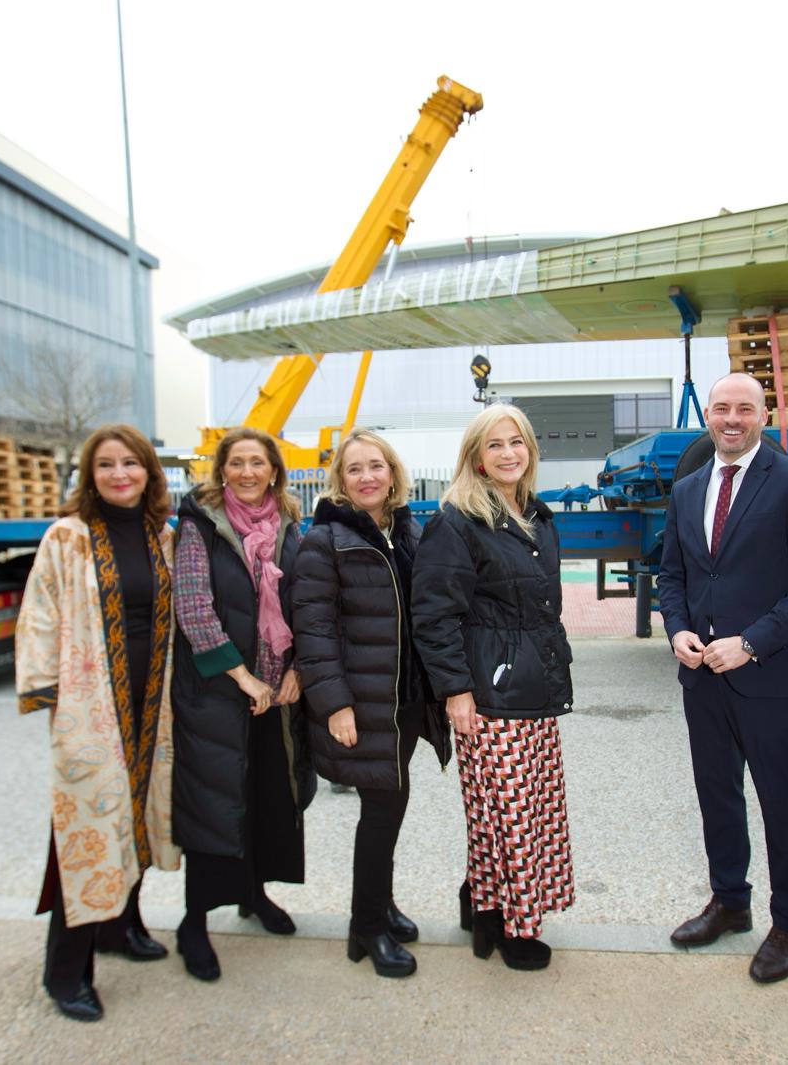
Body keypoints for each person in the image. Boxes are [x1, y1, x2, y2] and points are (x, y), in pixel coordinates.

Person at [656, 372, 788, 984]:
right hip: (701, 677)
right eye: (721, 408)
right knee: (717, 795)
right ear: (707, 415)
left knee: (780, 799)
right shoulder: (687, 489)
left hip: (766, 676)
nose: (731, 419)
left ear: (766, 414)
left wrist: (752, 643)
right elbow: (673, 576)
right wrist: (677, 630)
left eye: (745, 409)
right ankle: (729, 901)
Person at [15, 423, 181, 1023]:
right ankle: (66, 972)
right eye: (106, 465)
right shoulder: (67, 537)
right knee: (86, 830)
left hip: (152, 701)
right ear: (90, 474)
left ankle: (122, 927)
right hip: (91, 704)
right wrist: (48, 695)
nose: (119, 474)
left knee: (138, 815)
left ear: (148, 472)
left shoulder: (162, 535)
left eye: (131, 463)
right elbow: (39, 614)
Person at [412, 403, 574, 971]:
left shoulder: (536, 516)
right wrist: (456, 692)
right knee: (511, 817)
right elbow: (433, 617)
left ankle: (483, 907)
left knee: (511, 812)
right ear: (476, 458)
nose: (509, 453)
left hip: (534, 687)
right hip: (489, 695)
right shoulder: (457, 521)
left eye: (517, 442)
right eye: (495, 445)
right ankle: (516, 929)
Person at [291, 429, 451, 978]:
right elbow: (313, 631)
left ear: (393, 474)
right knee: (381, 813)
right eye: (355, 468)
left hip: (401, 702)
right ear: (340, 477)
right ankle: (367, 928)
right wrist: (335, 704)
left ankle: (378, 906)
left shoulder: (404, 533)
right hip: (360, 705)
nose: (367, 477)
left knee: (389, 808)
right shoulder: (325, 540)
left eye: (376, 466)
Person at [169, 427, 316, 982]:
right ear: (222, 471)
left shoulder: (291, 526)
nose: (249, 472)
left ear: (275, 470)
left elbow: (306, 601)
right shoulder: (200, 525)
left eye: (259, 462)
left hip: (278, 693)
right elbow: (194, 606)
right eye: (238, 463)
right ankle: (193, 924)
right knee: (215, 804)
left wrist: (298, 668)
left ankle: (253, 895)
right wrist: (241, 677)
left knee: (267, 798)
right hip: (217, 694)